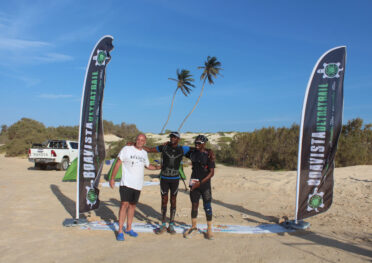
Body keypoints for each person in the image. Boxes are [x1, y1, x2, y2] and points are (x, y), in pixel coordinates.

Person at [110, 134, 160, 241]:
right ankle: (120, 231)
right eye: (138, 139)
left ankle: (128, 228)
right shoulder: (126, 149)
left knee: (132, 206)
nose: (140, 141)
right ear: (135, 140)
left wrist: (158, 167)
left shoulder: (144, 153)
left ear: (145, 142)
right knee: (124, 204)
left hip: (137, 185)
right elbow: (118, 163)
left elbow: (148, 166)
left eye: (142, 140)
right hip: (126, 183)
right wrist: (112, 178)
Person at [142, 131, 191, 234]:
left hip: (175, 179)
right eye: (171, 137)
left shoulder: (183, 149)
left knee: (173, 200)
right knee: (164, 199)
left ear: (178, 139)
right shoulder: (163, 147)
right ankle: (163, 224)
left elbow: (196, 150)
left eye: (174, 137)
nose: (172, 138)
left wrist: (208, 151)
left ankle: (171, 224)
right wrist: (137, 144)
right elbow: (150, 150)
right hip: (164, 178)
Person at [183, 135, 215, 240]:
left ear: (204, 144)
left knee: (207, 206)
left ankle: (209, 229)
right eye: (195, 143)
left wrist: (200, 183)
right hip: (194, 183)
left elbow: (211, 173)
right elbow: (182, 148)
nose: (196, 145)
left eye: (199, 143)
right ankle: (193, 226)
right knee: (194, 205)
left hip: (204, 184)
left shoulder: (209, 155)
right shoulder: (192, 153)